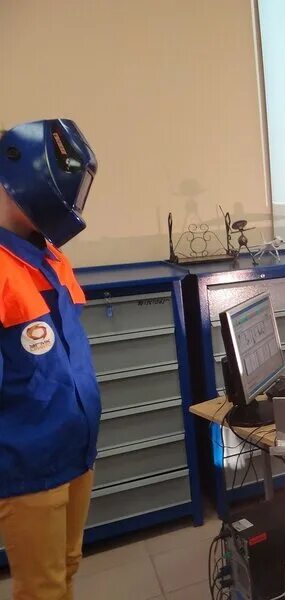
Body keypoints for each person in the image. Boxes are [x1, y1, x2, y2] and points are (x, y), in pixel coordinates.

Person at [0, 119, 101, 600]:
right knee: (42, 588)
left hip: (75, 446)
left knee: (67, 567)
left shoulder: (52, 256)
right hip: (29, 462)